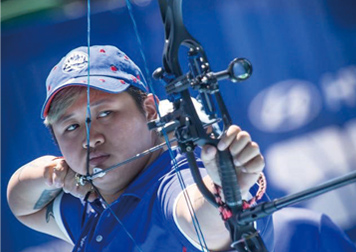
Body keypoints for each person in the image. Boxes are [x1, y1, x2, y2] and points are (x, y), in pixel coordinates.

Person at [7, 45, 274, 252]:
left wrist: (225, 190)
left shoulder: (173, 181)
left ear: (149, 110)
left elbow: (195, 217)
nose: (90, 138)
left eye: (106, 113)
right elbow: (21, 205)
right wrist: (53, 174)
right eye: (72, 127)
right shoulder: (89, 202)